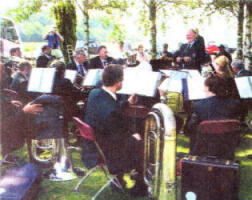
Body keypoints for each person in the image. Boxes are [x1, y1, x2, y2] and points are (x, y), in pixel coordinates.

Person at [83, 65, 147, 196]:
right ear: (118, 83)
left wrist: (127, 103)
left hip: (92, 147)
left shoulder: (95, 93)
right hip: (106, 152)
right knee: (142, 145)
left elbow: (111, 106)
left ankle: (119, 180)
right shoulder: (111, 111)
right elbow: (117, 136)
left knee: (134, 139)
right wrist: (134, 136)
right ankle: (139, 186)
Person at [184, 74, 242, 158]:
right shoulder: (234, 104)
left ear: (207, 88)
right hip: (227, 148)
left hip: (202, 148)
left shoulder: (199, 105)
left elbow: (189, 129)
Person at [0, 62, 43, 162]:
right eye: (1, 71)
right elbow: (4, 123)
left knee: (31, 117)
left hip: (8, 122)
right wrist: (24, 111)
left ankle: (35, 149)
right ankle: (32, 153)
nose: (4, 73)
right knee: (29, 118)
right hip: (5, 129)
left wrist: (10, 102)